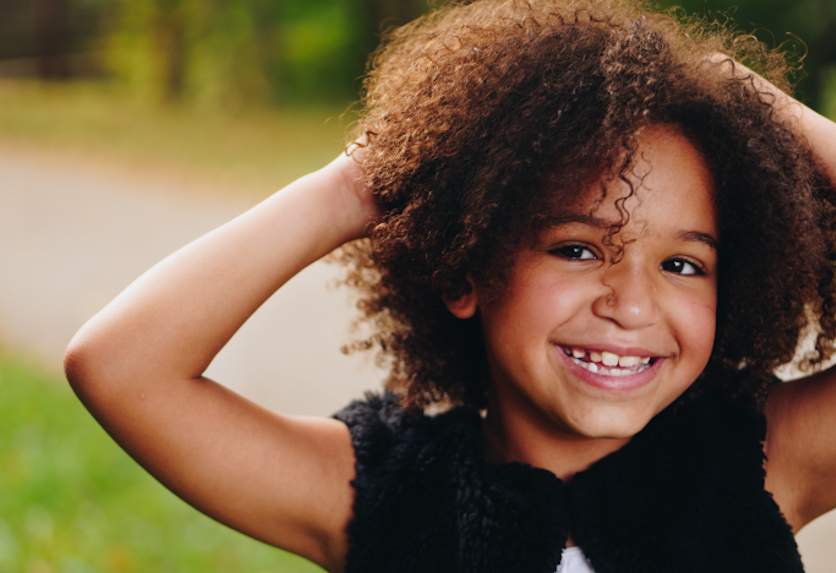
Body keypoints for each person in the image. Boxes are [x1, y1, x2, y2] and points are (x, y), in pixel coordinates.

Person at [64, 0, 836, 571]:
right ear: (464, 271)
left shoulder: (763, 458)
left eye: (683, 264)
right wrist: (363, 182)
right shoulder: (381, 489)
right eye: (575, 248)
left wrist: (753, 102)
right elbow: (120, 367)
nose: (632, 304)